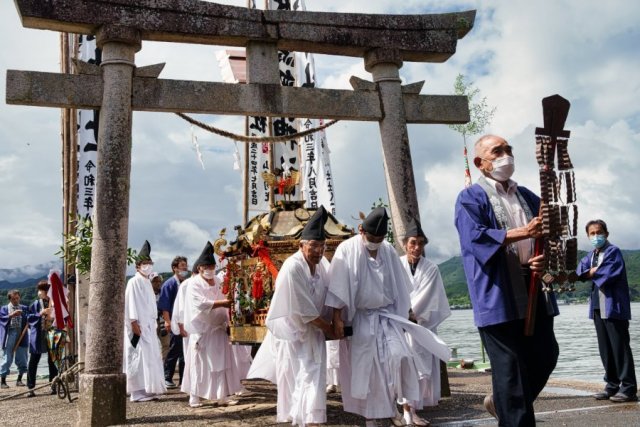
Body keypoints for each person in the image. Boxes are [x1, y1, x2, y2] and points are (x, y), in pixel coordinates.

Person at [454, 134, 559, 426]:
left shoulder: (526, 194)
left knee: (545, 355)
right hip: (498, 292)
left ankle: (501, 403)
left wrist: (544, 256)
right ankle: (510, 409)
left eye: (509, 149)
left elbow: (549, 235)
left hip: (534, 287)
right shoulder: (471, 197)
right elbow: (475, 237)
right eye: (497, 151)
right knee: (510, 370)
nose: (506, 155)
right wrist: (526, 232)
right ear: (480, 162)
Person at [327, 207, 450, 427]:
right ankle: (375, 417)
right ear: (361, 230)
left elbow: (400, 288)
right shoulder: (347, 249)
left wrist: (405, 314)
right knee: (371, 371)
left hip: (386, 317)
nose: (376, 242)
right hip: (362, 319)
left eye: (380, 238)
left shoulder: (388, 251)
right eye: (372, 238)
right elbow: (337, 287)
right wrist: (337, 319)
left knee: (400, 358)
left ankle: (397, 406)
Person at [266, 206, 335, 426]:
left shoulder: (321, 265)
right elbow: (306, 312)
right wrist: (331, 329)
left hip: (314, 331)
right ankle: (303, 419)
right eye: (314, 246)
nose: (318, 251)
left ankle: (310, 418)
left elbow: (331, 293)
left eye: (322, 246)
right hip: (296, 333)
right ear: (301, 245)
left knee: (313, 375)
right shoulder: (293, 267)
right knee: (302, 376)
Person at [576, 219, 637, 402]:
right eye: (592, 233)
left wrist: (593, 272)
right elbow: (580, 270)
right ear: (588, 236)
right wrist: (590, 271)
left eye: (599, 232)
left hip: (613, 307)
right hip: (597, 307)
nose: (596, 236)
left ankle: (628, 388)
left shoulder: (613, 252)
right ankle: (611, 385)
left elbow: (608, 274)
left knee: (620, 348)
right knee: (605, 349)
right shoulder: (591, 255)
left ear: (606, 234)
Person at [398, 217, 451, 425]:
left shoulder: (431, 269)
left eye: (421, 243)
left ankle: (414, 410)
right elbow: (393, 291)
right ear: (405, 244)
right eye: (413, 242)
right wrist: (402, 313)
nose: (417, 247)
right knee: (403, 367)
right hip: (400, 325)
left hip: (420, 325)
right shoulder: (397, 265)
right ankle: (405, 410)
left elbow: (430, 296)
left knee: (420, 370)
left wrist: (410, 313)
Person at [181, 241, 242, 408]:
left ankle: (222, 395)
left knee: (222, 364)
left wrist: (228, 320)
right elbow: (199, 304)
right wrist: (222, 303)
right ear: (199, 268)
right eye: (206, 266)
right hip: (203, 330)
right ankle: (194, 397)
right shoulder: (194, 283)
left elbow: (227, 298)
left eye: (212, 266)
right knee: (199, 365)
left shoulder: (217, 280)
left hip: (219, 329)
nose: (209, 269)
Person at [123, 241, 166, 402]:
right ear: (138, 266)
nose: (148, 266)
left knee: (149, 358)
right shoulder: (134, 282)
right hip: (139, 326)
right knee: (137, 359)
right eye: (145, 263)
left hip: (149, 326)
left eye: (149, 263)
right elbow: (131, 305)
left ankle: (147, 388)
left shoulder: (147, 281)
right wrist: (134, 324)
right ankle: (136, 392)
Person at [157, 256, 188, 388]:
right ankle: (167, 376)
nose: (185, 269)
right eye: (182, 266)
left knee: (183, 351)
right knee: (174, 350)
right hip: (174, 321)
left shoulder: (185, 283)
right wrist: (168, 322)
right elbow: (164, 305)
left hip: (184, 321)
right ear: (174, 268)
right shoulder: (169, 284)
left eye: (186, 266)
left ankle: (183, 379)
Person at [26, 280, 58, 397]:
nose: (40, 292)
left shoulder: (54, 303)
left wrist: (53, 313)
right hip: (38, 335)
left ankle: (53, 385)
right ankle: (31, 387)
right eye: (40, 289)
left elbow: (61, 317)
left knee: (52, 360)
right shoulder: (35, 304)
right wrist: (40, 313)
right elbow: (28, 318)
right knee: (34, 360)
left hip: (52, 333)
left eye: (42, 289)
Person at [0, 289, 29, 388]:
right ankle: (3, 381)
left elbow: (31, 317)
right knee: (7, 357)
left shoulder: (24, 308)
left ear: (19, 297)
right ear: (10, 299)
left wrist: (30, 319)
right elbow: (1, 319)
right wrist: (11, 315)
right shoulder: (4, 308)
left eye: (17, 298)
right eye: (13, 299)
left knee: (22, 357)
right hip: (10, 333)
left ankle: (19, 380)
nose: (16, 300)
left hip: (22, 333)